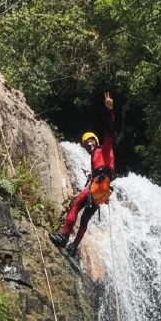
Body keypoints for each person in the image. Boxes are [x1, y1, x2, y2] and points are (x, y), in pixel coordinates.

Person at [50, 92, 115, 256]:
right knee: (85, 218)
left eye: (91, 141)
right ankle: (74, 246)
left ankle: (64, 237)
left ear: (96, 141)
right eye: (86, 144)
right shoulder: (98, 157)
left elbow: (109, 132)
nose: (88, 144)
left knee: (76, 205)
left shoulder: (104, 149)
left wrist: (110, 110)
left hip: (99, 185)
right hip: (102, 189)